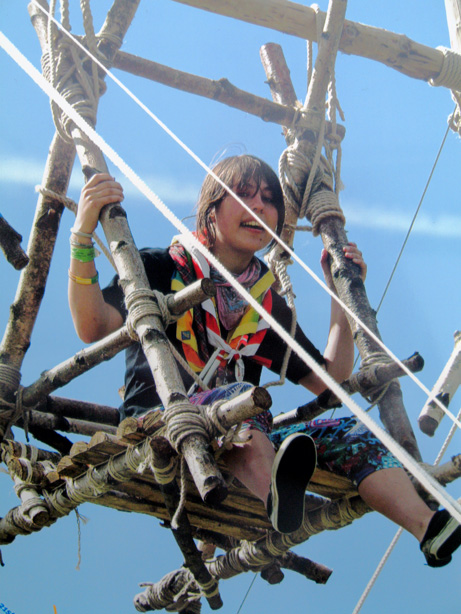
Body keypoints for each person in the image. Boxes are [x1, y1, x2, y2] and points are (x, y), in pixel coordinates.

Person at [68, 155, 460, 566]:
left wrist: (338, 295)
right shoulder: (159, 267)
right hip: (164, 424)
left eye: (270, 199)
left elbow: (329, 380)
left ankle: (428, 527)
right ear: (211, 210)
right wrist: (82, 234)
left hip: (245, 435)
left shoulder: (266, 306)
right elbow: (93, 327)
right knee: (241, 397)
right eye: (243, 194)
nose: (259, 206)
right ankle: (277, 497)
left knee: (351, 431)